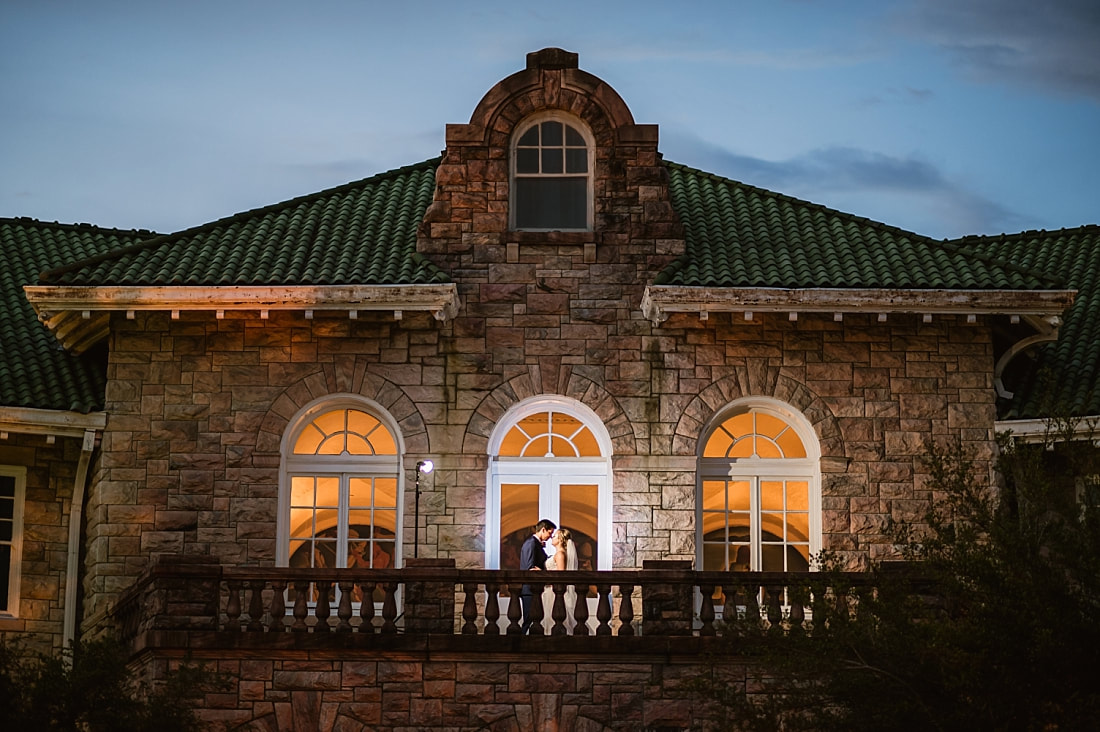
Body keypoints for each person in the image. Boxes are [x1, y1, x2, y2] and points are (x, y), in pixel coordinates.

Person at [519, 518, 555, 634]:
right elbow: (530, 567)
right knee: (529, 620)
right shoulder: (531, 544)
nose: (550, 536)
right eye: (550, 533)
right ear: (543, 530)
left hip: (536, 589)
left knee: (534, 620)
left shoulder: (536, 545)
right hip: (530, 589)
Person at [542, 527, 578, 634]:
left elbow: (559, 575)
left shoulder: (560, 554)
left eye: (555, 536)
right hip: (549, 590)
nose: (552, 537)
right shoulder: (558, 554)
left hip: (553, 592)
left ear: (560, 540)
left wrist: (543, 575)